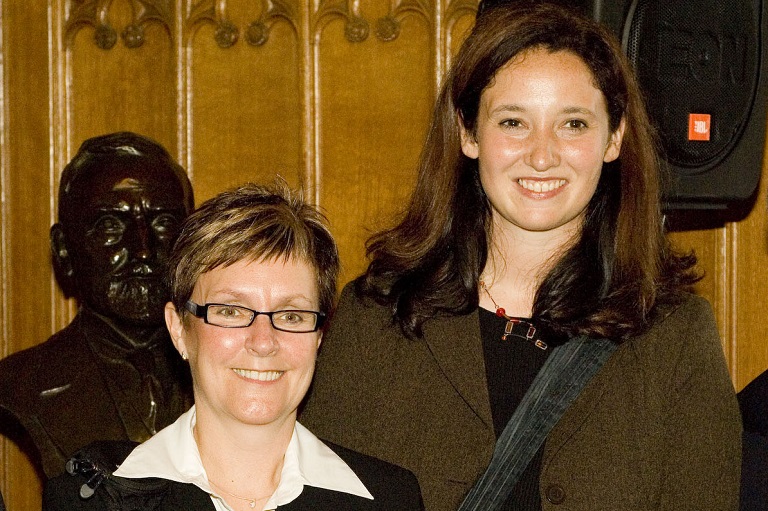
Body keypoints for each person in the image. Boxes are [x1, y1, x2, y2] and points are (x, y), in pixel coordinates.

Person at [301, 3, 742, 510]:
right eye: (513, 122)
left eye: (573, 124)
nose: (541, 154)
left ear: (614, 137)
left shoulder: (674, 336)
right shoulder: (376, 318)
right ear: (468, 134)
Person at [43, 182, 424, 511]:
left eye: (291, 315)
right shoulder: (92, 501)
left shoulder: (391, 499)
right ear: (178, 328)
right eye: (230, 310)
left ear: (320, 335)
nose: (263, 341)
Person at [0, 132, 194, 478]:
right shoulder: (20, 385)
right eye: (109, 226)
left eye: (164, 222)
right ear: (64, 251)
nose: (144, 250)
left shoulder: (242, 370)